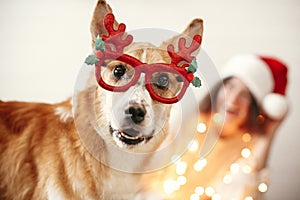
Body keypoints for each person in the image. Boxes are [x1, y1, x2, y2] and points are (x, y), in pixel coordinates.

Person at [152, 54, 289, 200]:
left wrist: (267, 136)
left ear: (253, 107)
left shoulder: (248, 149)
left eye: (245, 95)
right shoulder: (188, 121)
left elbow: (247, 195)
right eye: (230, 86)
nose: (233, 99)